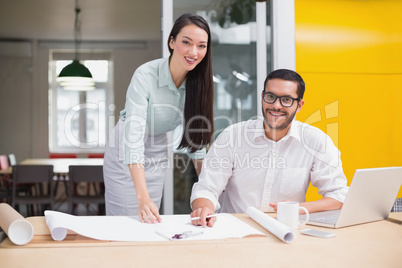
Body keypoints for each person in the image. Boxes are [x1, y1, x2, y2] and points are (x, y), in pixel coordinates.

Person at [190, 69, 349, 227]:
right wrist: (204, 209)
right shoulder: (232, 136)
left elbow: (339, 195)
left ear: (299, 105)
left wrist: (300, 208)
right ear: (262, 98)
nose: (276, 105)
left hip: (287, 229)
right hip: (235, 230)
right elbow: (206, 188)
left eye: (286, 100)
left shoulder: (316, 141)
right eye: (271, 97)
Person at [103, 13, 214, 223]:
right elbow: (133, 138)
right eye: (186, 42)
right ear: (172, 42)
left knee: (150, 218)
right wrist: (142, 196)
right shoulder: (145, 75)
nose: (193, 52)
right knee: (125, 219)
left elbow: (197, 143)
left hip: (158, 145)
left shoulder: (199, 84)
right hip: (125, 147)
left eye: (201, 46)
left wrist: (209, 189)